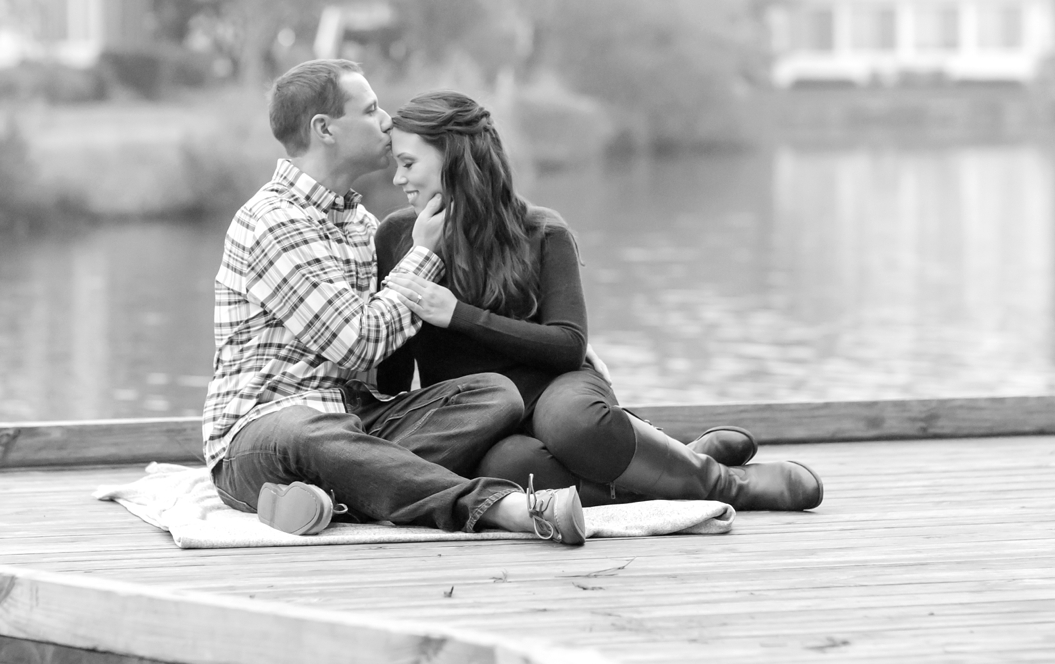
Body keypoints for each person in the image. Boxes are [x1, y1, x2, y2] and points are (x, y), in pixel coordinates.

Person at [373, 90, 823, 511]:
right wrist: (419, 260)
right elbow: (393, 382)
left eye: (409, 164)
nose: (399, 179)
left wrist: (459, 316)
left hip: (556, 389)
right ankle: (675, 462)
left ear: (452, 156)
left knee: (575, 425)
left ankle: (726, 486)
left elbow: (568, 345)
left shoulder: (542, 231)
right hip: (484, 415)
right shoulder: (397, 237)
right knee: (505, 470)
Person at [204, 60, 584, 545]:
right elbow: (358, 345)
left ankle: (333, 499)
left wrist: (568, 347)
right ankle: (501, 507)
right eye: (369, 110)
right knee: (308, 432)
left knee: (494, 394)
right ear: (325, 129)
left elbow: (411, 335)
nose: (386, 121)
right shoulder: (274, 222)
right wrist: (423, 254)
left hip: (356, 421)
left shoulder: (361, 225)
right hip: (263, 433)